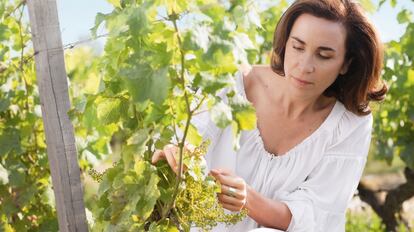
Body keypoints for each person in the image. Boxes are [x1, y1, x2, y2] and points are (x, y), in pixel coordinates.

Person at [152, 0, 387, 231]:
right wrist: (176, 150)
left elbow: (317, 217)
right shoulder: (233, 83)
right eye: (297, 47)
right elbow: (188, 136)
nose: (304, 66)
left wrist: (248, 200)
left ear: (346, 63)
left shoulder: (349, 124)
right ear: (286, 44)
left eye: (323, 55)